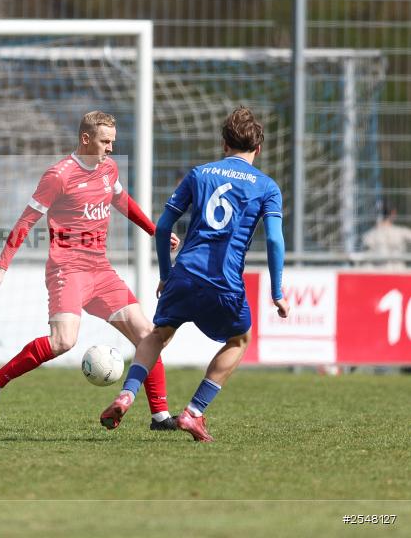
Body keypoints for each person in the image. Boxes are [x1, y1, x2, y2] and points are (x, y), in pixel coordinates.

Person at [0, 110, 180, 431]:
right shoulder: (59, 175)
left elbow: (121, 200)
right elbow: (26, 221)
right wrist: (1, 267)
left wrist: (155, 230)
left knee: (149, 336)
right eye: (104, 141)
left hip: (100, 270)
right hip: (67, 270)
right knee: (62, 342)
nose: (110, 148)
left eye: (113, 142)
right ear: (86, 139)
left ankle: (161, 417)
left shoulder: (108, 169)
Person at [100, 106, 289, 442]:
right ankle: (193, 412)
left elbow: (163, 229)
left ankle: (126, 394)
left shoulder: (200, 174)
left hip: (185, 274)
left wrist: (166, 274)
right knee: (240, 339)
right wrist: (277, 291)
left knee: (157, 335)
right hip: (224, 282)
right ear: (258, 149)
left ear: (223, 144)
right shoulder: (267, 187)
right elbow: (274, 239)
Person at [360, 203, 411, 269]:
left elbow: (365, 261)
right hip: (399, 272)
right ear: (393, 213)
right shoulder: (402, 232)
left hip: (379, 273)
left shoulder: (368, 236)